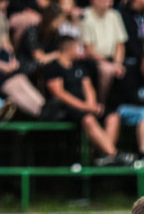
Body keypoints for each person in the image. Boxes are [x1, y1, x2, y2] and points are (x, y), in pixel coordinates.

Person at [44, 36, 122, 164]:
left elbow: (88, 88)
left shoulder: (80, 66)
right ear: (68, 49)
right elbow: (59, 93)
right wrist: (85, 108)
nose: (80, 51)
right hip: (66, 109)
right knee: (88, 119)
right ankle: (114, 154)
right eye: (77, 47)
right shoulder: (54, 67)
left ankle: (105, 156)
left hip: (85, 107)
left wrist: (92, 105)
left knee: (113, 117)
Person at [81, 0, 127, 106]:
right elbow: (88, 48)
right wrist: (108, 63)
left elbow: (120, 44)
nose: (109, 3)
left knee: (126, 69)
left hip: (112, 59)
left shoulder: (115, 15)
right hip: (92, 59)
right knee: (106, 70)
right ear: (94, 0)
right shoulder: (85, 16)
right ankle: (101, 103)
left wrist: (117, 63)